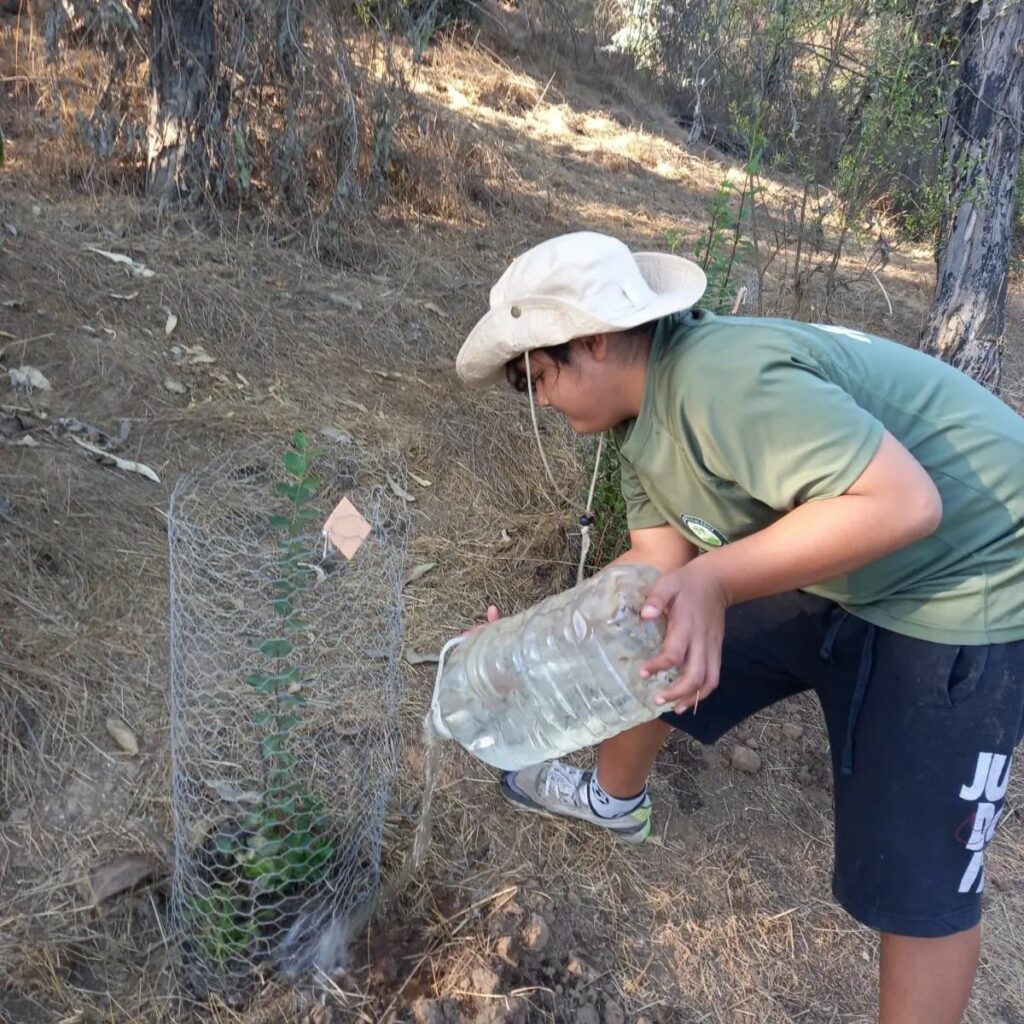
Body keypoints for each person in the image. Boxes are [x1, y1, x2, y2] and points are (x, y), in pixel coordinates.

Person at [454, 231, 1024, 1024]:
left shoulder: (720, 381)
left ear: (593, 340)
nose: (541, 399)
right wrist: (534, 637)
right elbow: (655, 567)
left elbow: (907, 505)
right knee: (652, 626)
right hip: (858, 553)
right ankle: (615, 800)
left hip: (971, 573)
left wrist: (716, 581)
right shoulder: (636, 421)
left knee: (919, 875)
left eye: (538, 376)